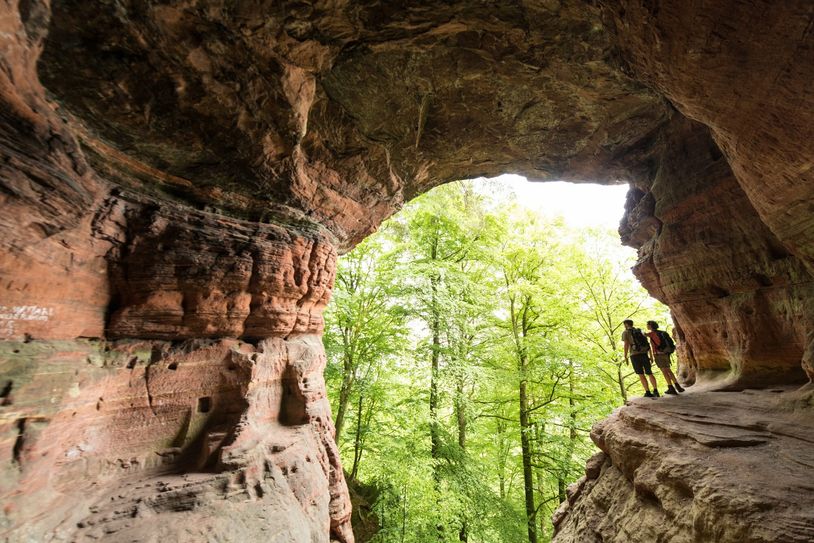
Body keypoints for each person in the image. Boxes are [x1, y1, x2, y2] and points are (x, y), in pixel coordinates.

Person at [622, 319, 660, 398]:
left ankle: (647, 392)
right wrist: (651, 356)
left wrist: (625, 356)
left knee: (641, 374)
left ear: (626, 324)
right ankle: (656, 390)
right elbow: (647, 343)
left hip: (634, 355)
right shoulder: (640, 331)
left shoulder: (626, 332)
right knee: (649, 373)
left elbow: (626, 344)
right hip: (644, 354)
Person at [646, 320, 684, 395]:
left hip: (659, 355)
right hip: (665, 353)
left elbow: (643, 334)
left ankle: (670, 387)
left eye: (647, 325)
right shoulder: (662, 332)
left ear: (650, 326)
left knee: (664, 371)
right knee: (669, 370)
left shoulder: (652, 334)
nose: (646, 326)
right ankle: (677, 386)